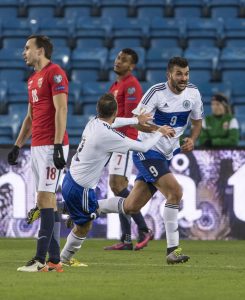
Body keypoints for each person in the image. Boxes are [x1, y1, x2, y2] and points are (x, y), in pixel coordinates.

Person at [98, 57, 203, 264]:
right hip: (147, 150)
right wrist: (157, 129)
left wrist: (192, 139)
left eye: (186, 74)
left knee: (130, 206)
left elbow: (197, 121)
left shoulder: (193, 93)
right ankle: (173, 250)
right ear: (169, 75)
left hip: (165, 155)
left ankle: (84, 207)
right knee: (175, 192)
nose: (183, 78)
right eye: (179, 74)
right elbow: (137, 123)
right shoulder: (156, 93)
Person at [60, 93, 175, 265]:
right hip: (80, 188)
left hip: (71, 179)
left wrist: (136, 120)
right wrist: (159, 132)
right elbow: (143, 146)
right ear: (115, 112)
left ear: (98, 110)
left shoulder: (93, 122)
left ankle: (76, 212)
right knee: (84, 226)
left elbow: (115, 121)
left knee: (93, 212)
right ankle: (63, 259)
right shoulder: (108, 136)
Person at [7, 35, 69, 272]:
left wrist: (56, 146)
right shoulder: (33, 79)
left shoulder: (55, 73)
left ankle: (40, 259)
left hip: (51, 146)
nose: (24, 52)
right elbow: (30, 116)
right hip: (37, 145)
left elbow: (61, 108)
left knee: (44, 198)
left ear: (40, 51)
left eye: (27, 48)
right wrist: (17, 145)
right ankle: (54, 260)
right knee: (47, 202)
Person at [105, 48, 153, 251]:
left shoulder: (132, 86)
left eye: (124, 60)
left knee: (118, 184)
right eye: (117, 58)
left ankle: (143, 229)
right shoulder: (117, 84)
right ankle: (126, 238)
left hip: (125, 139)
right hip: (115, 139)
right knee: (116, 186)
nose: (118, 62)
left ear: (132, 66)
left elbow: (133, 117)